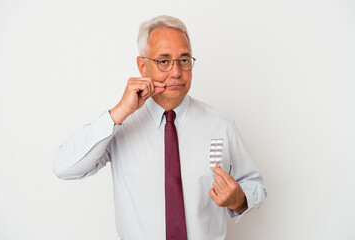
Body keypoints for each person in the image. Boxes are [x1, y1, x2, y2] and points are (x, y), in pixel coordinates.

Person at [53, 15, 267, 240]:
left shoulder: (221, 125)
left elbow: (256, 187)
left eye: (184, 60)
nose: (176, 72)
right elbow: (64, 167)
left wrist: (240, 200)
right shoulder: (119, 125)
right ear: (142, 66)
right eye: (164, 61)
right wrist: (119, 113)